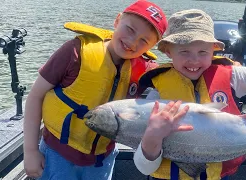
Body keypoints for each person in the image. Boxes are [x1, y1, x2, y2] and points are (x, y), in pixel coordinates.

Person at [133, 9, 246, 180]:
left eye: (203, 52)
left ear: (214, 50)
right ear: (168, 52)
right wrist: (152, 137)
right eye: (184, 52)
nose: (194, 60)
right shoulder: (156, 95)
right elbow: (144, 167)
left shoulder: (234, 76)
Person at [23, 1, 168, 179]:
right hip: (57, 154)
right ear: (117, 20)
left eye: (144, 41)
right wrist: (30, 150)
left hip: (102, 160)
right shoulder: (74, 51)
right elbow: (35, 96)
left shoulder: (145, 70)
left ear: (152, 46)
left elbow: (177, 78)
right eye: (130, 29)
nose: (132, 42)